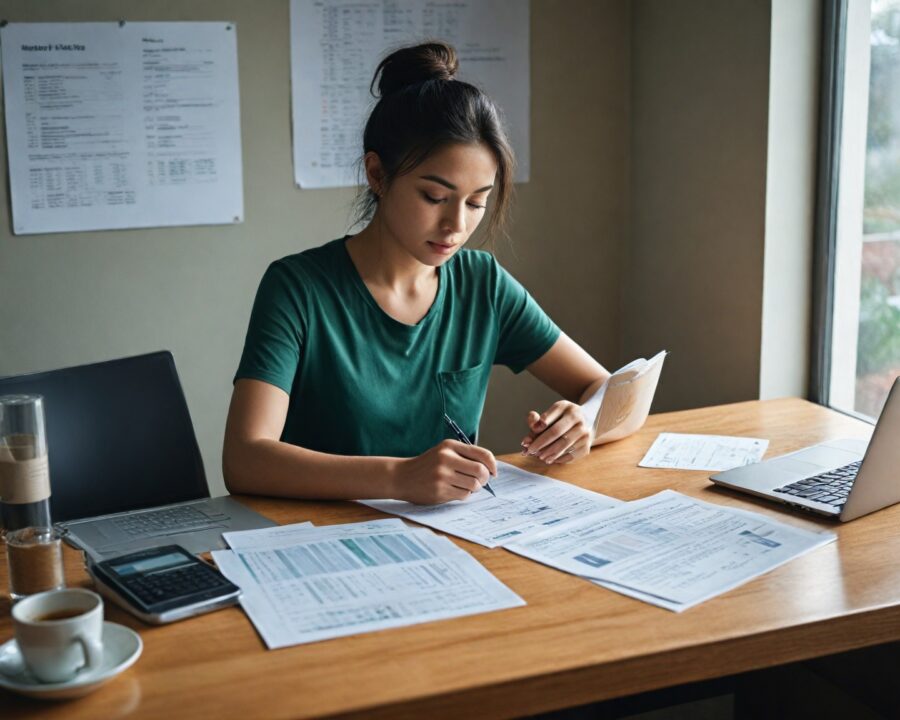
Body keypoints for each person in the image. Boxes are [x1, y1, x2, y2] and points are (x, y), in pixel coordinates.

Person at [223, 41, 618, 506]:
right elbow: (245, 459)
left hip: (452, 540)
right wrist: (398, 478)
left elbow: (611, 389)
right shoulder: (298, 288)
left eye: (476, 203)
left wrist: (586, 420)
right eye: (434, 197)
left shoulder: (482, 283)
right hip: (322, 540)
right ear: (377, 173)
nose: (456, 226)